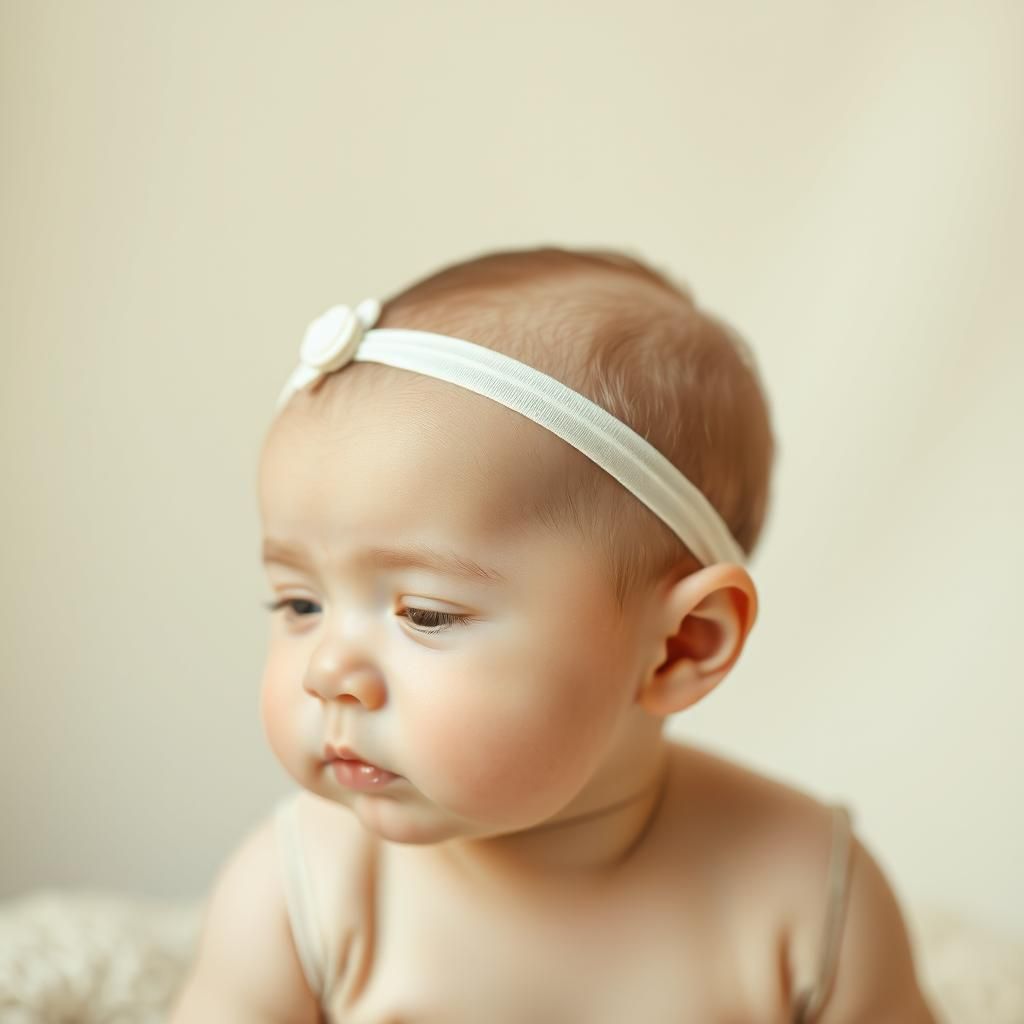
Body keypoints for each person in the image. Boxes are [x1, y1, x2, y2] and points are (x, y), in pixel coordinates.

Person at [169, 247, 938, 1022]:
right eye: (300, 605)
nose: (327, 670)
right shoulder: (301, 893)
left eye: (425, 613)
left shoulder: (808, 897)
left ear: (681, 646)